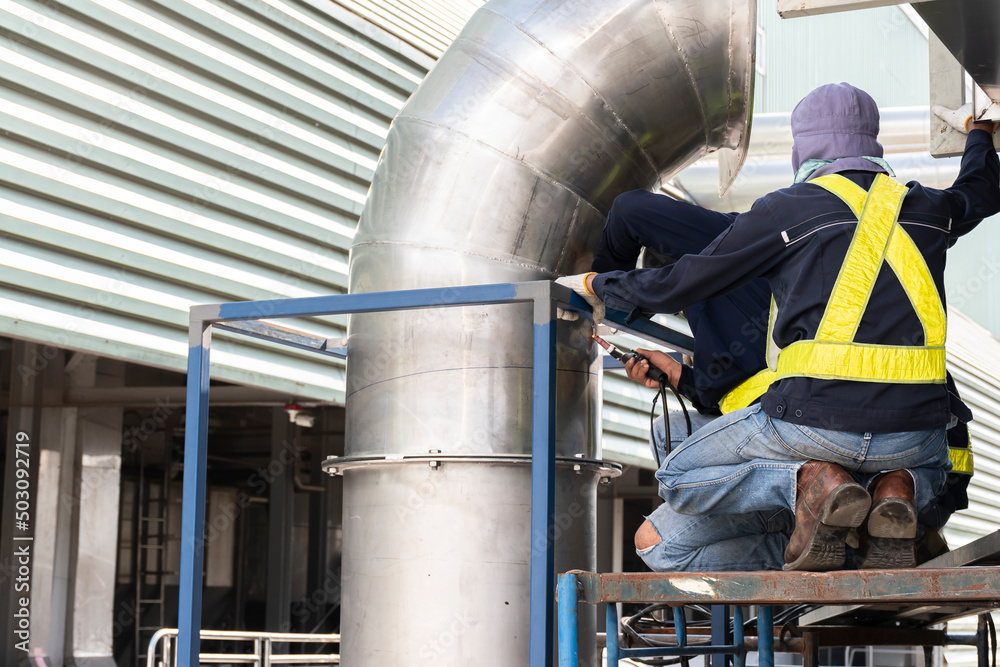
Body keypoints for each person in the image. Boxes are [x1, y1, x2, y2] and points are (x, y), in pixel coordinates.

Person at [559, 82, 999, 571]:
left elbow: (680, 283)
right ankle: (897, 487)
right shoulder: (930, 209)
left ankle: (808, 481)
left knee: (677, 474)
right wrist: (978, 132)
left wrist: (598, 284)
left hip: (815, 426)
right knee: (931, 467)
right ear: (871, 143)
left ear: (803, 146)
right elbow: (981, 191)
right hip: (913, 438)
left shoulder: (785, 210)